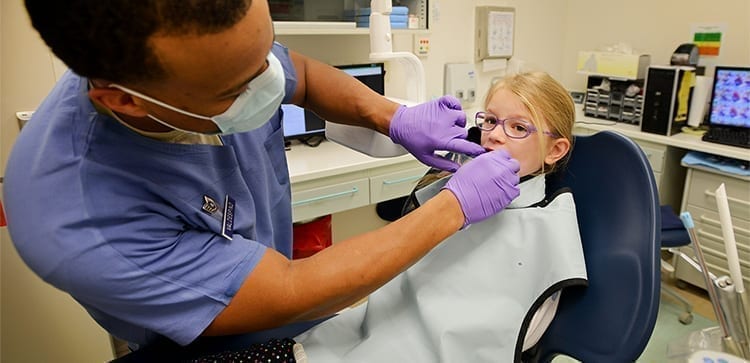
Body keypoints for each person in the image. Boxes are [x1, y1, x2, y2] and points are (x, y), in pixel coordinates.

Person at [4, 0, 522, 357]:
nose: (270, 83)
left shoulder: (215, 44)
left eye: (264, 51)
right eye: (238, 85)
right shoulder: (78, 220)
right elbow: (292, 290)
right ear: (124, 100)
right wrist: (452, 207)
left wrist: (390, 116)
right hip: (189, 339)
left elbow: (297, 73)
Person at [294, 71, 588, 362]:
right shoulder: (455, 185)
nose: (495, 135)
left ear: (555, 150)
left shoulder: (544, 228)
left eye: (519, 128)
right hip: (371, 327)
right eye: (490, 121)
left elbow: (511, 333)